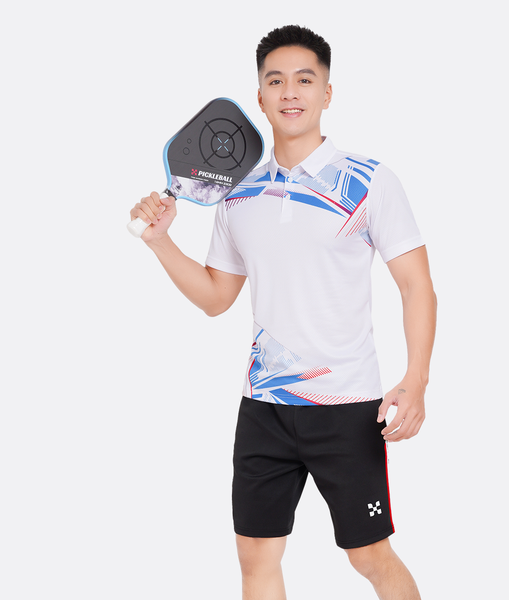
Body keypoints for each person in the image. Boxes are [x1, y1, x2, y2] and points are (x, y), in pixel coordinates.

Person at [130, 25, 436, 600]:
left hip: (346, 406)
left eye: (304, 79)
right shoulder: (237, 193)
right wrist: (161, 241)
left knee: (370, 556)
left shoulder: (370, 181)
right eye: (276, 81)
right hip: (264, 408)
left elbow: (417, 286)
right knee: (256, 559)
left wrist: (415, 379)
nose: (290, 92)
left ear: (327, 93)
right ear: (261, 96)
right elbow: (217, 298)